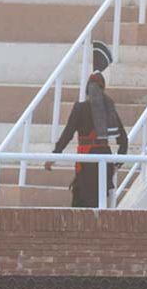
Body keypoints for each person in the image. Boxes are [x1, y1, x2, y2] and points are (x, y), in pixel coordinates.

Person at [46, 48, 129, 208]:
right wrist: (115, 164)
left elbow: (67, 134)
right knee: (100, 206)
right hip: (105, 163)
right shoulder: (109, 109)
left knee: (82, 207)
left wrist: (55, 156)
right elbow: (123, 141)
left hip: (87, 162)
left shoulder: (80, 108)